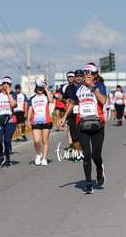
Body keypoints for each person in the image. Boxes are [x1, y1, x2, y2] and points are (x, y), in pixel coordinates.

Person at [60, 63, 107, 194]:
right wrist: (64, 117)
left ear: (95, 75)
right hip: (82, 124)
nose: (87, 74)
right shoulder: (78, 88)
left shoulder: (99, 86)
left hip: (98, 124)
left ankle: (99, 168)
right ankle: (88, 183)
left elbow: (103, 101)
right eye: (86, 72)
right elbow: (73, 103)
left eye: (90, 73)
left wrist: (93, 88)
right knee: (86, 155)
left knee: (96, 155)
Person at [0, 76, 17, 167]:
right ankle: (1, 156)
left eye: (8, 84)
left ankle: (8, 158)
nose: (6, 85)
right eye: (4, 83)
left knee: (7, 140)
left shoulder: (13, 94)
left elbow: (13, 104)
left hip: (10, 119)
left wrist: (9, 93)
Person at [26, 78, 53, 166]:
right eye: (38, 88)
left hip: (46, 121)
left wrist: (46, 90)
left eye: (41, 88)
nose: (40, 89)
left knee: (45, 140)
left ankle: (44, 158)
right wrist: (28, 120)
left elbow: (51, 100)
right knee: (36, 140)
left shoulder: (46, 96)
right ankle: (38, 154)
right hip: (36, 121)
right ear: (36, 88)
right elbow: (30, 109)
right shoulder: (33, 99)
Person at [62, 69, 84, 162]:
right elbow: (64, 98)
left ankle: (82, 151)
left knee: (82, 135)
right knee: (74, 136)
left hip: (82, 113)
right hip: (71, 114)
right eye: (77, 76)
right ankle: (77, 154)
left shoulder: (85, 87)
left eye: (80, 76)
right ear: (74, 77)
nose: (79, 78)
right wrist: (65, 100)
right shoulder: (69, 88)